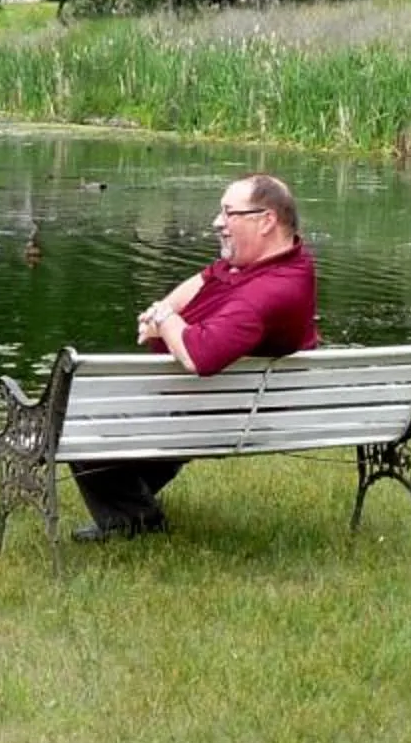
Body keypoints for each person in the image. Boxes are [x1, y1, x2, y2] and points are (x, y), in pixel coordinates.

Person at [70, 171, 319, 541]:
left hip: (218, 413)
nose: (217, 222)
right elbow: (205, 278)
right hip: (223, 403)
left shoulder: (269, 293)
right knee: (114, 407)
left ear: (266, 220)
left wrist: (166, 320)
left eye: (229, 213)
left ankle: (135, 521)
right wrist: (163, 311)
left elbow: (198, 356)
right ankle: (130, 509)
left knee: (80, 414)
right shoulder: (279, 263)